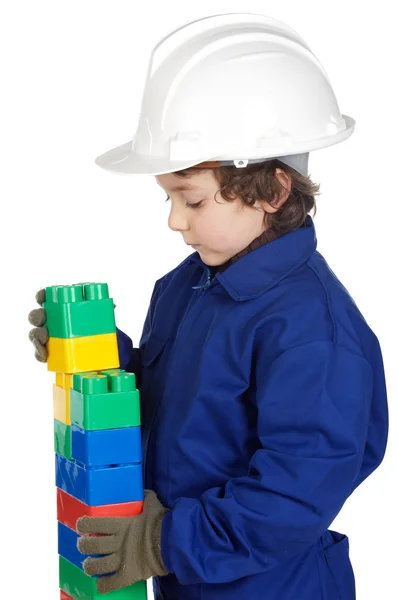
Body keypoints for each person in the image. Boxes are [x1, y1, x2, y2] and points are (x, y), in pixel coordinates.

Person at [28, 13, 389, 600]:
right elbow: (182, 397)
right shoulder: (192, 283)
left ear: (271, 191)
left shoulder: (312, 331)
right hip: (189, 575)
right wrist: (101, 358)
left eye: (190, 200)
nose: (174, 220)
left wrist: (162, 543)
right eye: (170, 198)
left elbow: (295, 494)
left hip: (269, 586)